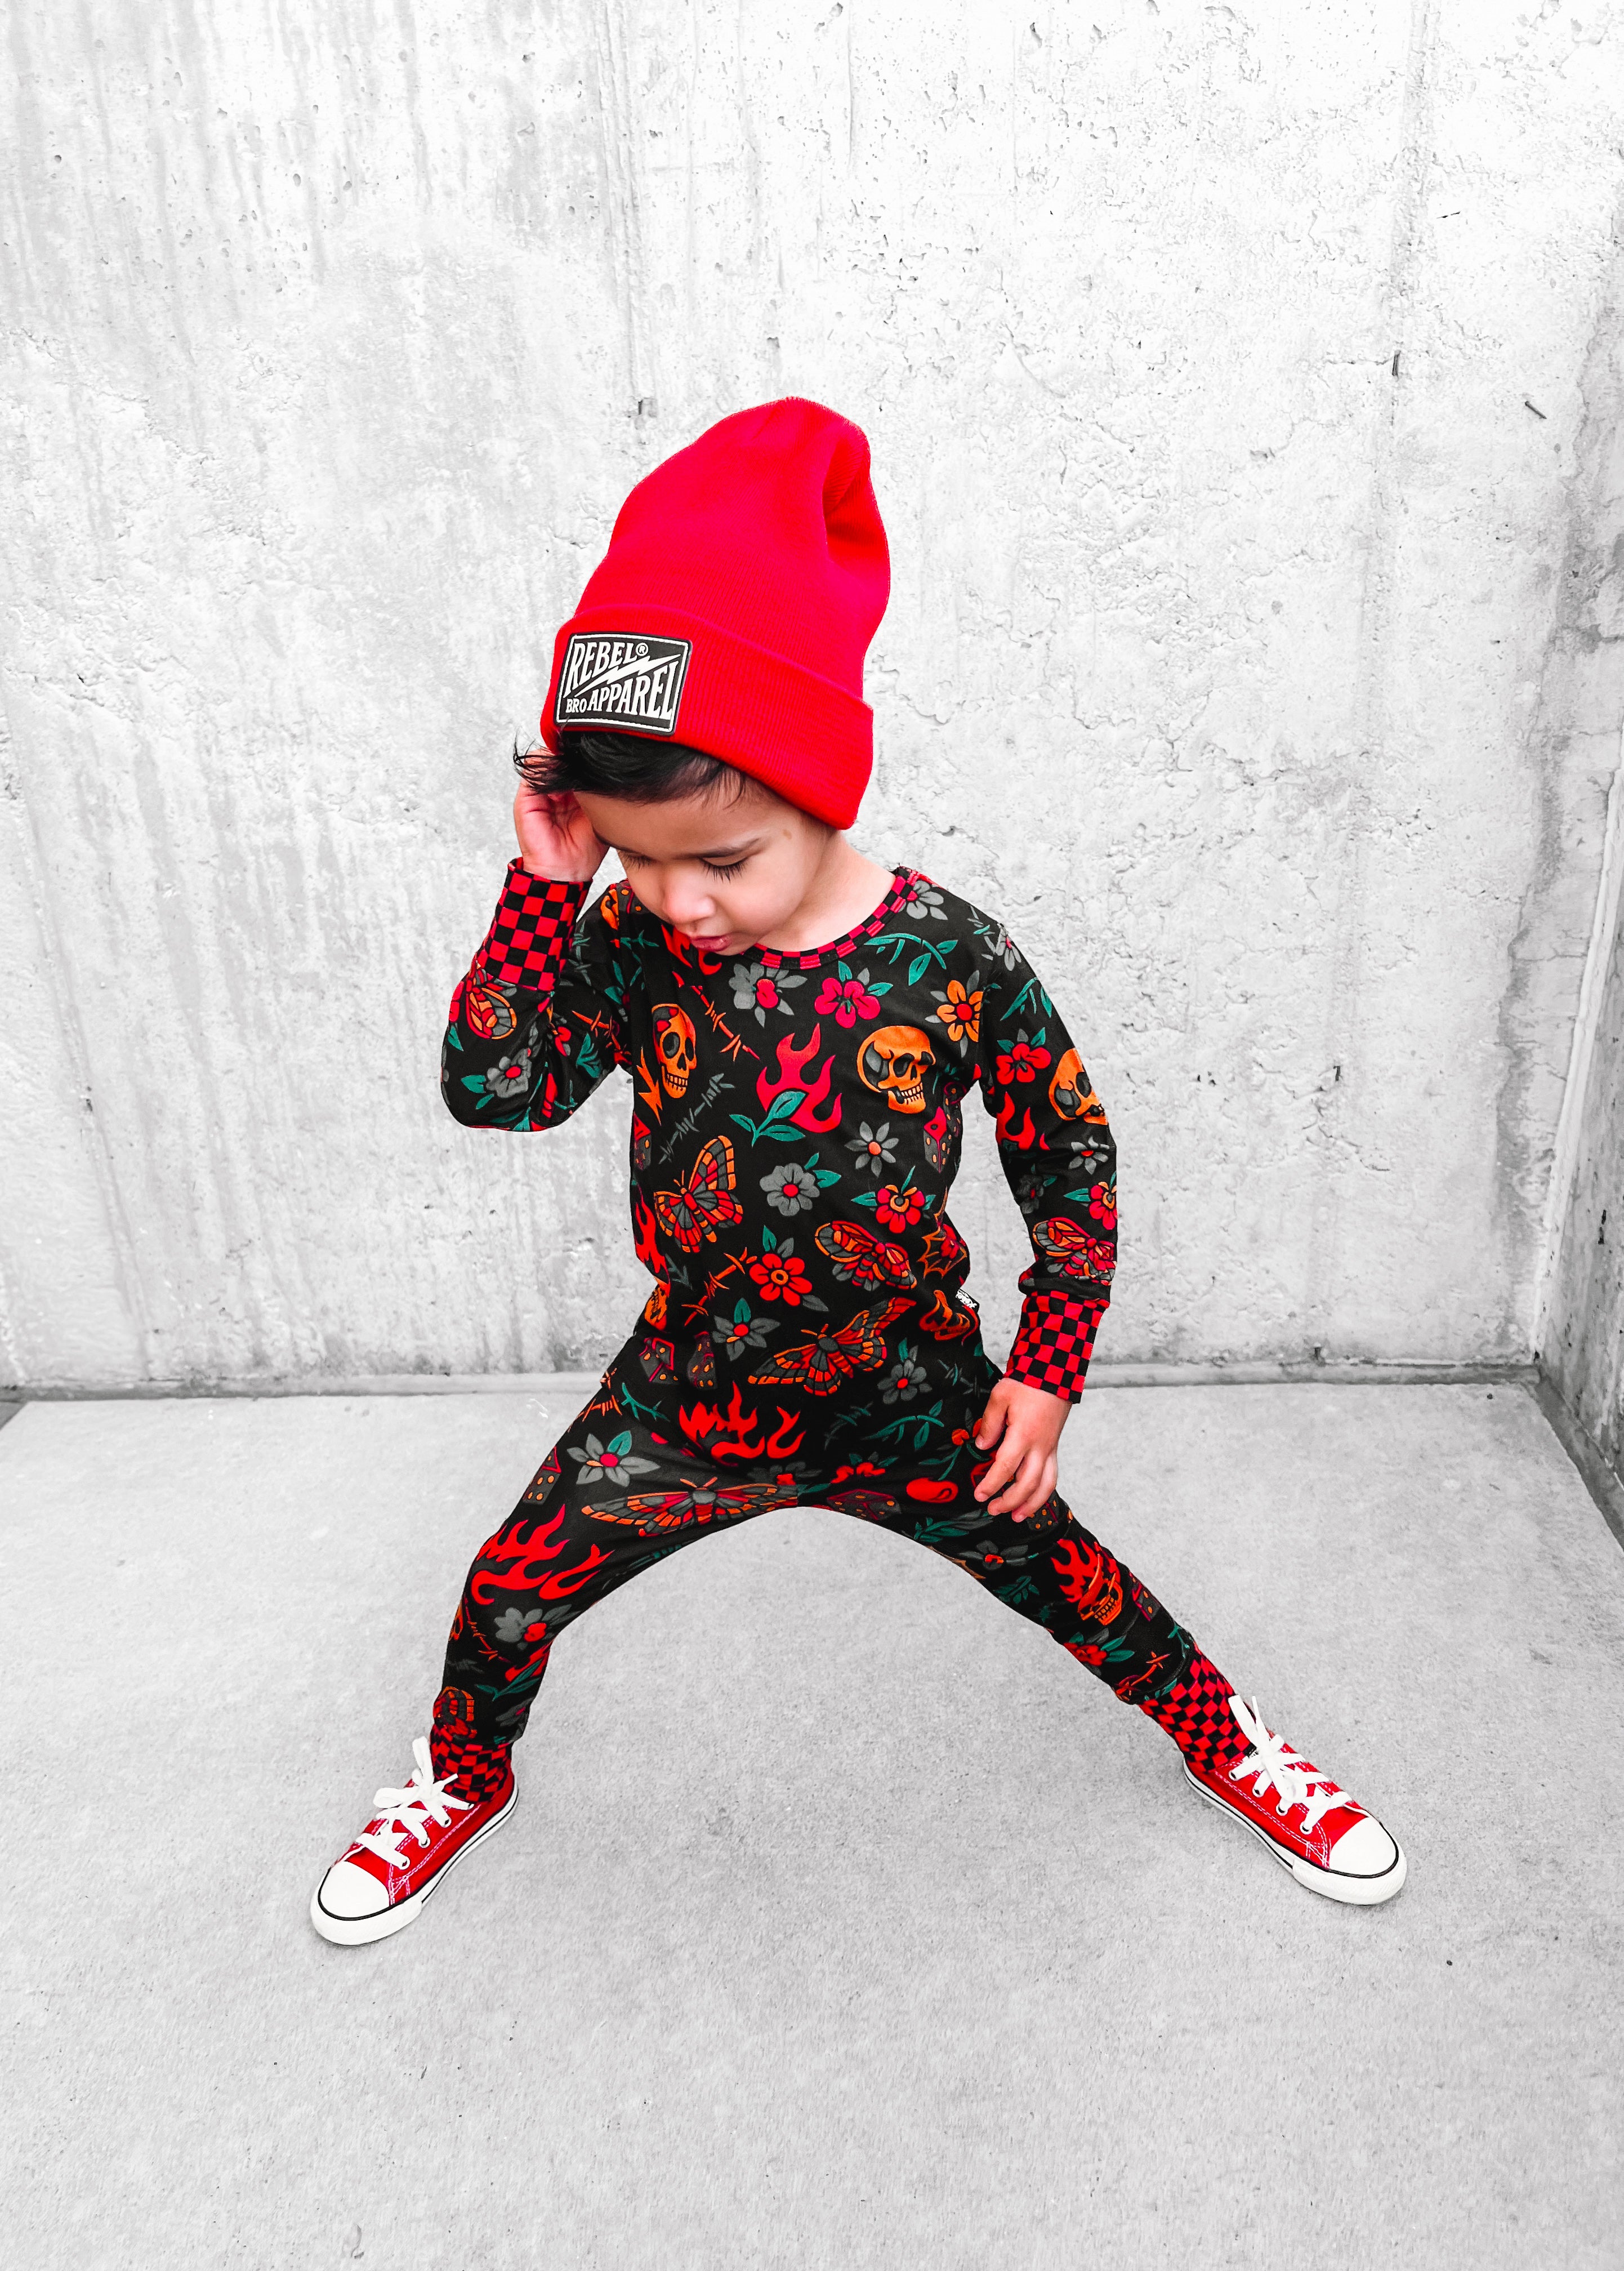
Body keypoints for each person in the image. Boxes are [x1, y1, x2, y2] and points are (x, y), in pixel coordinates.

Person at [310, 398, 1406, 1945]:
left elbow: (1069, 1157)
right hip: (690, 1391)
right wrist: (545, 890)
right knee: (504, 1592)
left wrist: (1046, 1373)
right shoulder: (625, 937)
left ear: (820, 788)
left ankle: (1232, 1744)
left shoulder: (948, 957)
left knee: (1085, 1594)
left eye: (720, 861)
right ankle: (461, 1776)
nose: (679, 901)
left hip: (909, 1388)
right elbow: (497, 1092)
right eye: (635, 856)